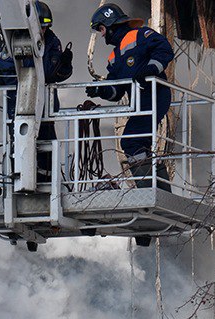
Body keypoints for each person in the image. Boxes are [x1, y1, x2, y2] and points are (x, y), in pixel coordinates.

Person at [85, 3, 174, 188]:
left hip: (155, 94)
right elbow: (116, 91)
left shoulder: (141, 35)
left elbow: (165, 49)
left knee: (132, 140)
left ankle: (152, 189)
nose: (102, 34)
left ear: (110, 24)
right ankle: (158, 187)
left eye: (102, 28)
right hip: (140, 102)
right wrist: (100, 90)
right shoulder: (114, 57)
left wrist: (150, 70)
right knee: (136, 142)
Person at [0, 1, 73, 183]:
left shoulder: (52, 41)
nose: (44, 31)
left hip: (45, 107)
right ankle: (20, 179)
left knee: (47, 147)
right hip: (18, 106)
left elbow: (54, 74)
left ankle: (45, 180)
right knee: (19, 146)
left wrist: (64, 64)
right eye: (42, 27)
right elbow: (5, 70)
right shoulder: (12, 40)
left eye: (46, 27)